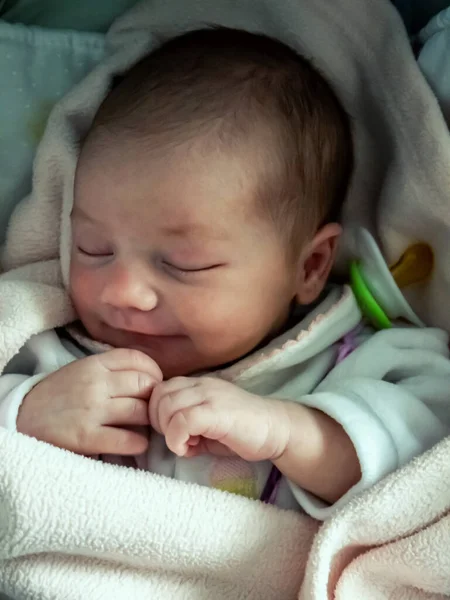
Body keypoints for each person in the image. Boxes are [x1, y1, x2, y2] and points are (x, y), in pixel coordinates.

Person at [1, 27, 449, 518]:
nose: (124, 292)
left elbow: (428, 460)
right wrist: (26, 412)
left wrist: (289, 432)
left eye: (183, 264)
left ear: (310, 266)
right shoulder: (49, 355)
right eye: (93, 249)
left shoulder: (364, 364)